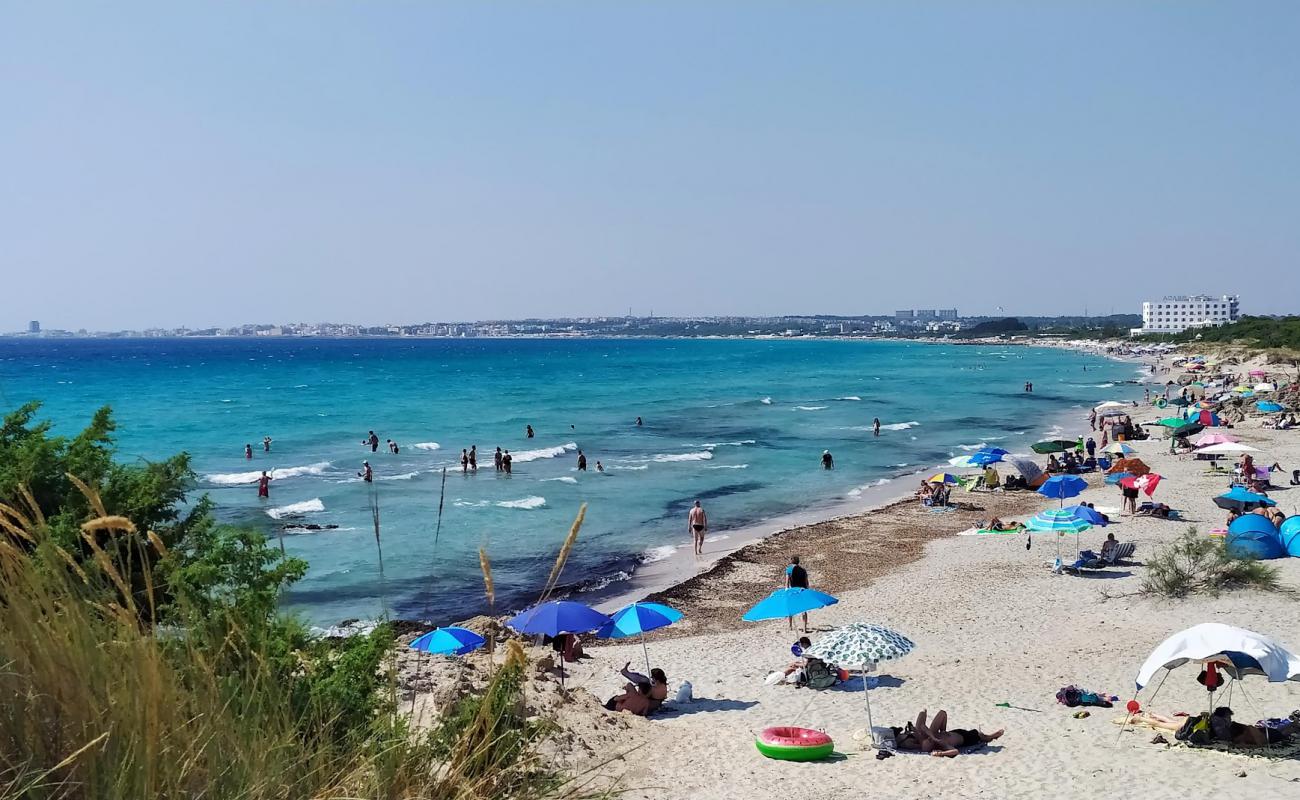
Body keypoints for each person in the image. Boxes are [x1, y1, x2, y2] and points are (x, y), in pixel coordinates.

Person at [891, 710, 1003, 757]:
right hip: (965, 737)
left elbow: (922, 726)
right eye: (929, 741)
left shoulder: (932, 737)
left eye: (927, 740)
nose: (928, 740)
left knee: (942, 713)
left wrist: (933, 736)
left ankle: (990, 736)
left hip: (954, 733)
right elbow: (955, 751)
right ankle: (991, 736)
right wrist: (941, 753)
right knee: (981, 736)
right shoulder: (941, 744)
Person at [786, 555, 810, 633]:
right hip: (802, 590)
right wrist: (807, 591)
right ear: (798, 561)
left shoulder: (789, 569)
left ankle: (790, 626)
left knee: (791, 608)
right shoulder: (803, 570)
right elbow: (806, 583)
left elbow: (787, 583)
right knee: (803, 610)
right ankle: (805, 628)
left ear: (791, 561)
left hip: (793, 591)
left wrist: (787, 590)